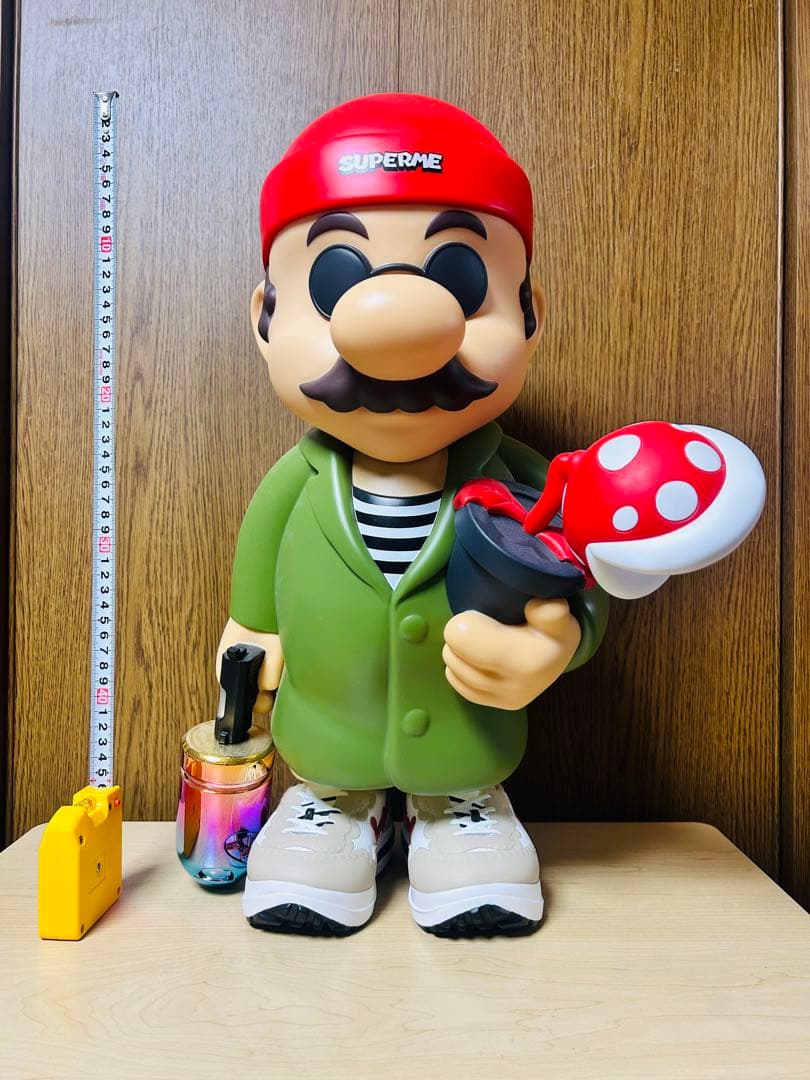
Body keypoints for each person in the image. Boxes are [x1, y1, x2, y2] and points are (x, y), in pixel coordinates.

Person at [217, 93, 608, 937]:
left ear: (530, 312)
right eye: (335, 281)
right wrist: (250, 633)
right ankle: (334, 803)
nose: (398, 327)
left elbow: (585, 573)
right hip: (325, 725)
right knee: (329, 765)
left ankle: (456, 807)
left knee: (461, 775)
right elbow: (257, 574)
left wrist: (558, 642)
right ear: (266, 318)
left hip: (468, 733)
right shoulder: (295, 483)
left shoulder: (525, 479)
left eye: (460, 279)